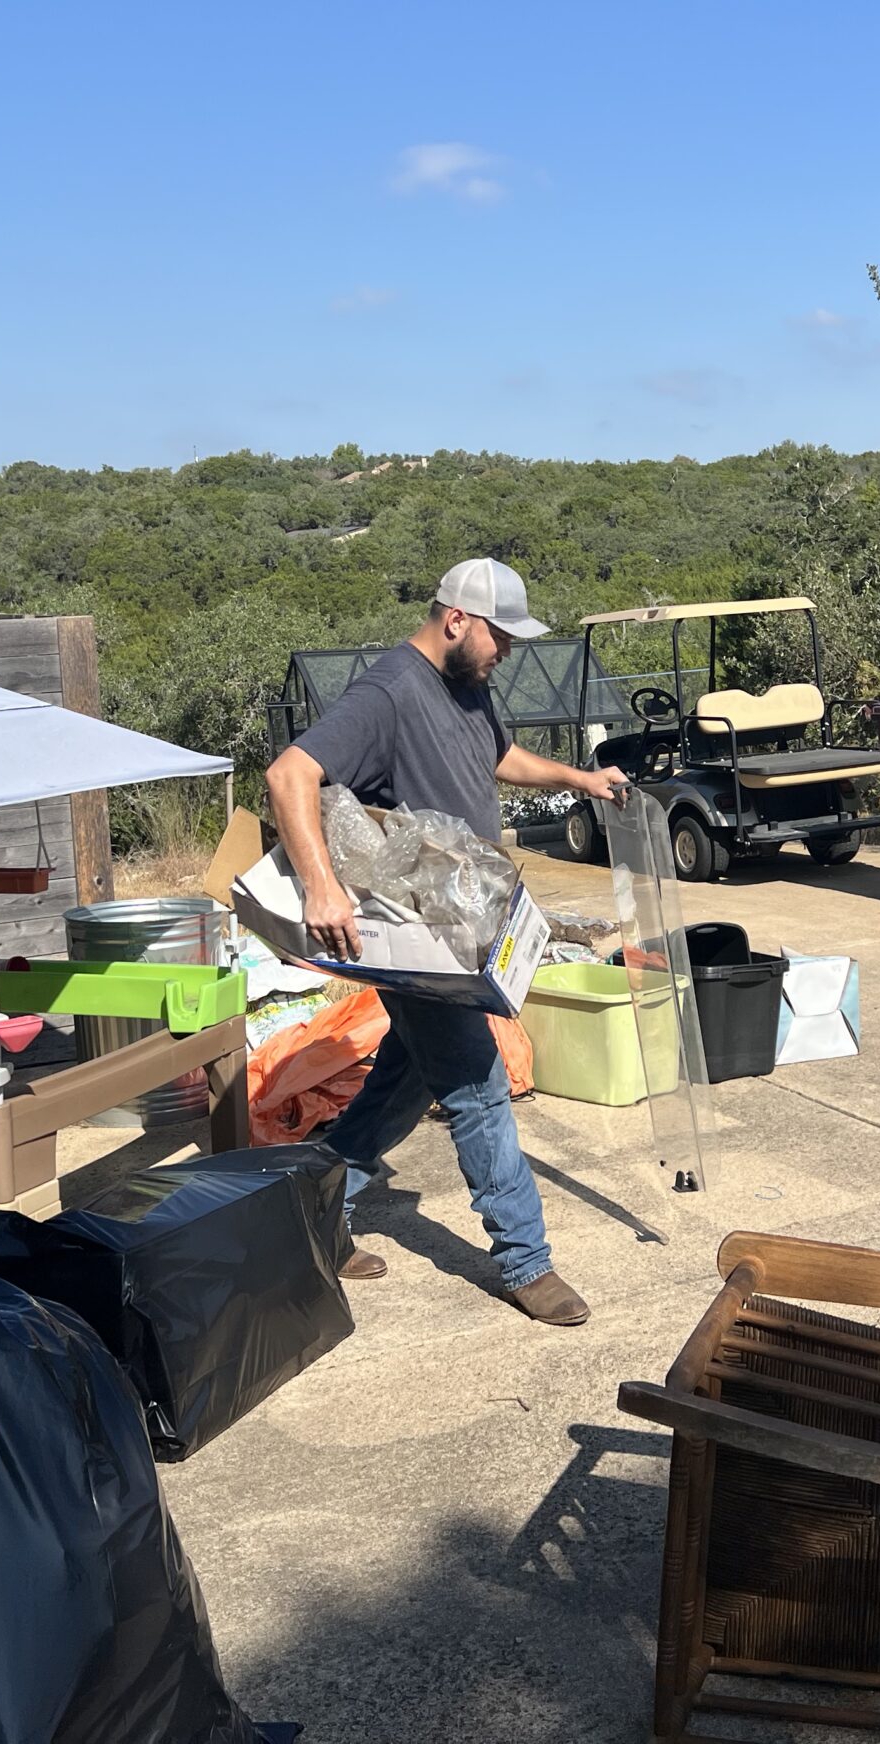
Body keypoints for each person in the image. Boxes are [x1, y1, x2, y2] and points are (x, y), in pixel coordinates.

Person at [263, 558, 631, 1326]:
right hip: (418, 939)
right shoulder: (389, 693)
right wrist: (323, 886)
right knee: (478, 1086)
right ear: (457, 619)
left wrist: (580, 779)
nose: (510, 652)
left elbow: (497, 757)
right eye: (502, 636)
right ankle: (526, 1261)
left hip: (465, 933)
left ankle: (310, 1213)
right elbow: (289, 774)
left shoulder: (468, 686)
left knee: (402, 1086)